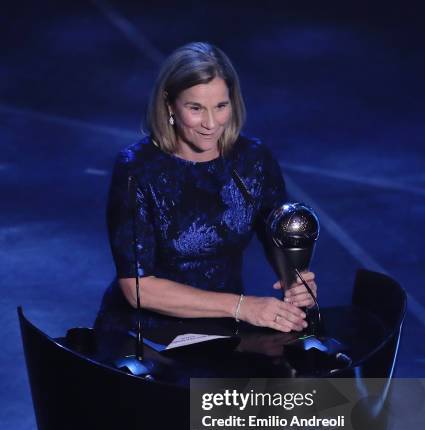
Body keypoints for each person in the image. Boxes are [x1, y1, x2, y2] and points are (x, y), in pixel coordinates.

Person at [95, 42, 317, 337]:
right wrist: (243, 307)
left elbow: (279, 235)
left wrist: (295, 281)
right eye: (196, 108)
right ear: (169, 104)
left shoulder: (254, 160)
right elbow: (138, 289)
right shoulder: (137, 168)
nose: (211, 124)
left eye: (221, 106)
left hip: (227, 328)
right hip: (145, 334)